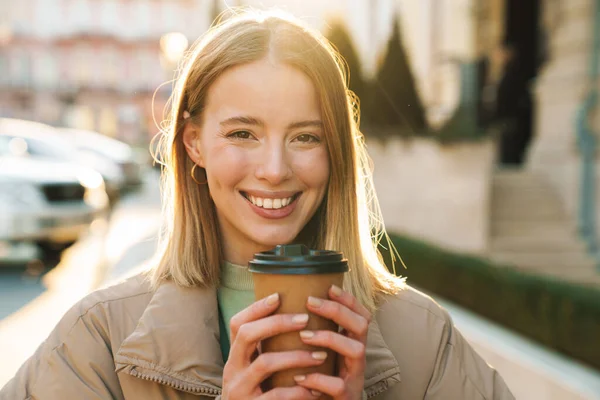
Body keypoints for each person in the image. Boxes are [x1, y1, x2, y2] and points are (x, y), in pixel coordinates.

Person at [1, 9, 514, 400]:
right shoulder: (99, 338)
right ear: (194, 144)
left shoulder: (423, 337)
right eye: (243, 133)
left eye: (306, 137)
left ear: (336, 149)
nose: (274, 168)